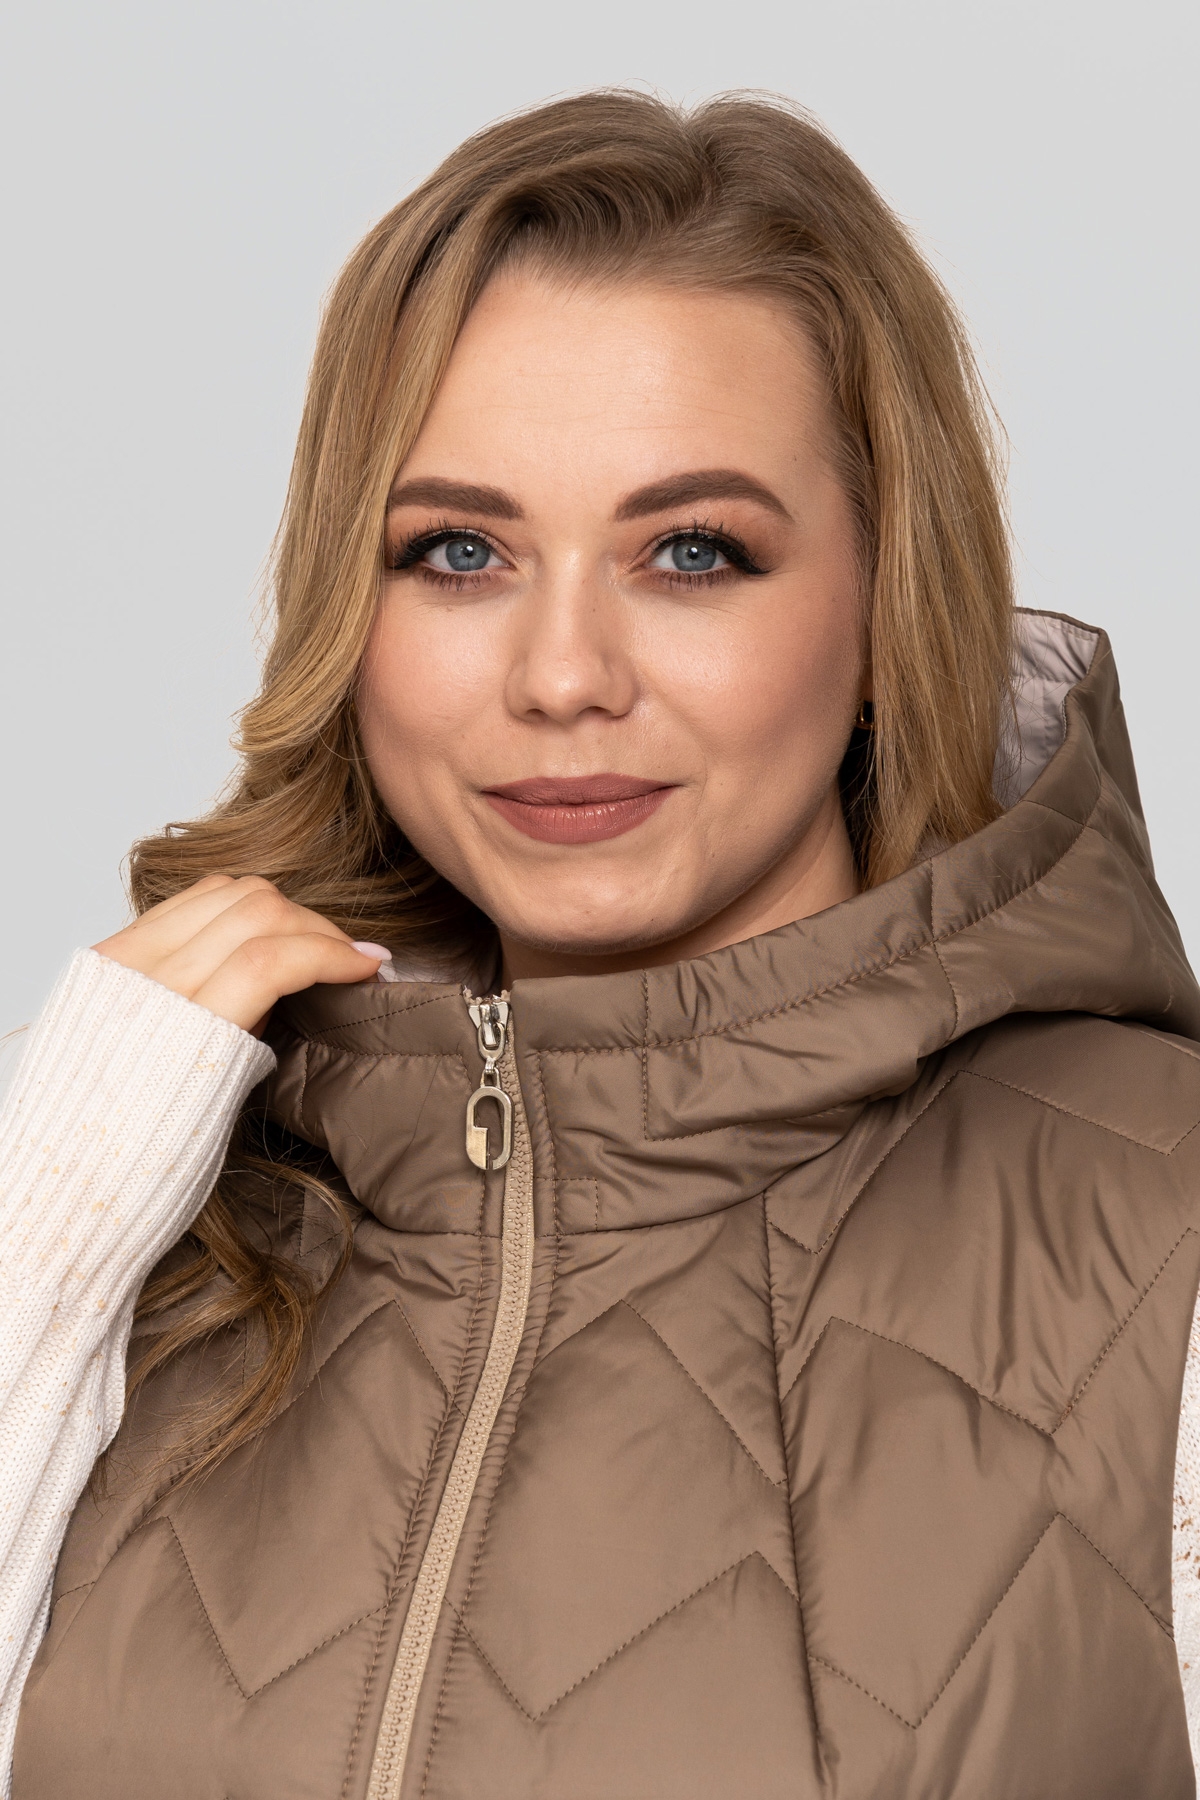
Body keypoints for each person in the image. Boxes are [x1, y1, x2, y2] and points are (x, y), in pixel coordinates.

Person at [2, 89, 1199, 1800]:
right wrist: (48, 1220)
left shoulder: (1160, 1233)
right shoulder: (143, 1201)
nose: (563, 674)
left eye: (692, 553)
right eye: (458, 552)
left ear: (886, 609)